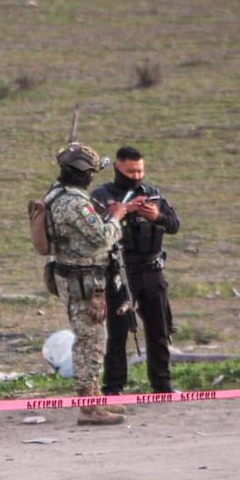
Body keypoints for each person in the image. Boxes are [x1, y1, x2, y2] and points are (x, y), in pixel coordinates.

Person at [45, 143, 130, 425]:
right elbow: (102, 237)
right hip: (83, 281)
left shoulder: (56, 194)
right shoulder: (75, 204)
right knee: (91, 342)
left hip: (74, 278)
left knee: (89, 340)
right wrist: (117, 217)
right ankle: (89, 407)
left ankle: (92, 401)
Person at [91, 147, 180, 395]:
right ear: (118, 168)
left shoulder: (153, 194)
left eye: (140, 170)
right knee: (117, 333)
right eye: (131, 171)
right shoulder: (101, 196)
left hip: (152, 270)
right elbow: (93, 233)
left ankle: (162, 385)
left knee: (159, 330)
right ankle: (113, 387)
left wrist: (157, 216)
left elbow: (174, 225)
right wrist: (124, 212)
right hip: (119, 272)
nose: (136, 175)